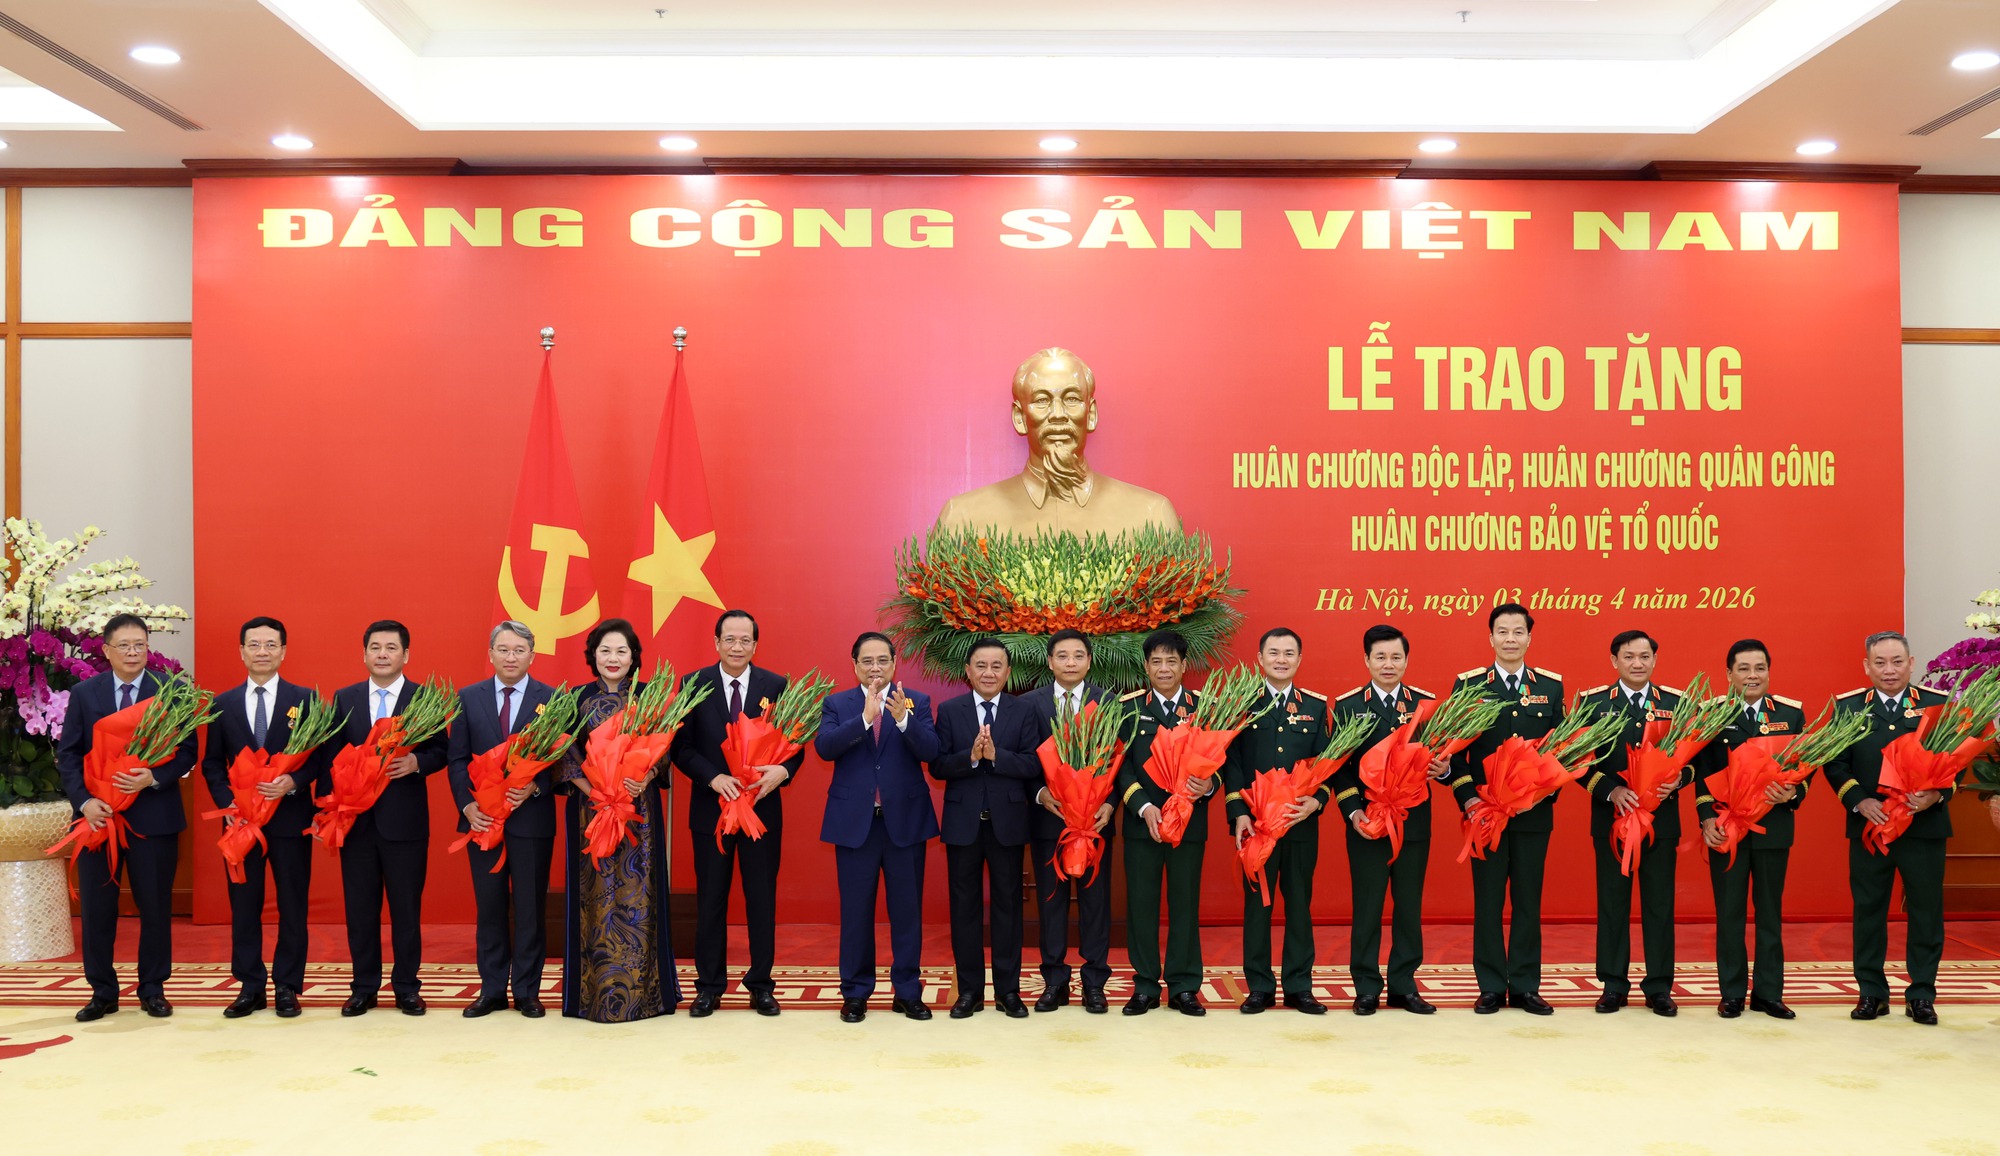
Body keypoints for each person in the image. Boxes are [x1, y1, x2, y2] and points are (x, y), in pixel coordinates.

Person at [56, 614, 199, 1022]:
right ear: (106, 650)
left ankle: (153, 989)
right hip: (98, 819)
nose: (133, 652)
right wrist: (84, 802)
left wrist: (154, 777)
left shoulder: (171, 691)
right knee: (98, 909)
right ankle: (102, 992)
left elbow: (189, 750)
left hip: (154, 818)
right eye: (124, 645)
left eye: (140, 644)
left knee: (155, 907)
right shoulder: (85, 693)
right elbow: (69, 754)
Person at [671, 609, 803, 1017]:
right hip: (712, 811)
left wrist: (782, 771)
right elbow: (680, 748)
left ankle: (761, 985)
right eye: (729, 639)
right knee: (711, 900)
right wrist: (712, 778)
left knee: (761, 899)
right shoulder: (693, 684)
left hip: (760, 811)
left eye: (745, 640)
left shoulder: (776, 686)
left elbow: (796, 743)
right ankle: (709, 986)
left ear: (755, 645)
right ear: (716, 642)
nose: (737, 646)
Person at [1824, 631, 1954, 1025]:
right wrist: (1858, 800)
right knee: (1868, 911)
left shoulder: (1937, 705)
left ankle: (1922, 995)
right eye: (1880, 662)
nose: (1889, 670)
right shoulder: (1848, 708)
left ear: (1911, 664)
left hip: (1923, 828)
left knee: (1926, 912)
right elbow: (1834, 763)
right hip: (1871, 829)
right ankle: (1871, 993)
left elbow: (1956, 760)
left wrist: (1936, 795)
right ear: (1866, 666)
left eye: (1897, 661)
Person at [201, 616, 326, 1019]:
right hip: (240, 824)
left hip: (289, 819)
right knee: (244, 904)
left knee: (293, 904)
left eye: (271, 645)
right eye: (254, 644)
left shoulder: (305, 700)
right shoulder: (223, 704)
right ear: (241, 651)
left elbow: (320, 759)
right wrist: (230, 804)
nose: (262, 652)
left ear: (283, 651)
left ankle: (288, 986)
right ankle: (250, 986)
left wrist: (293, 781)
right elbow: (212, 765)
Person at [816, 631, 940, 1023]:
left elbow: (932, 752)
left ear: (894, 663)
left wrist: (902, 719)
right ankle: (855, 993)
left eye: (882, 660)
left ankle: (907, 992)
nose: (875, 667)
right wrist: (865, 719)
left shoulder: (915, 701)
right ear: (854, 665)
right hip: (856, 825)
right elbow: (825, 747)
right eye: (867, 661)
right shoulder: (838, 703)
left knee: (907, 913)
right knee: (856, 914)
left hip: (905, 823)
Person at [560, 618, 680, 1022]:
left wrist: (646, 774)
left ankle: (647, 997)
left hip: (638, 812)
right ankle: (590, 997)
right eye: (605, 650)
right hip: (591, 811)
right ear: (593, 655)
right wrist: (595, 790)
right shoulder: (574, 698)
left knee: (639, 896)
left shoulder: (650, 697)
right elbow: (565, 754)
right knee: (593, 896)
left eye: (621, 651)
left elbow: (664, 751)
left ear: (633, 657)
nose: (613, 658)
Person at [1449, 603, 1564, 1016]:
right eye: (1503, 631)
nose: (1510, 639)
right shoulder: (1468, 686)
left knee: (1528, 901)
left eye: (1518, 632)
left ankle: (1527, 986)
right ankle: (1491, 986)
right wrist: (1470, 799)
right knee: (1489, 901)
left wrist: (1540, 794)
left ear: (1529, 638)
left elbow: (1562, 751)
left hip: (1533, 815)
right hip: (1485, 815)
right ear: (1491, 638)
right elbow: (1454, 754)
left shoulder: (1550, 687)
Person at [330, 619, 448, 1017]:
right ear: (364, 654)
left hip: (405, 824)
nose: (382, 654)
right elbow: (331, 756)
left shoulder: (423, 698)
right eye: (375, 648)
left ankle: (407, 988)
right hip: (357, 823)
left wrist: (417, 762)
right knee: (360, 911)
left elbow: (442, 750)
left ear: (406, 655)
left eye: (391, 648)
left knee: (405, 911)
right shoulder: (344, 699)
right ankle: (363, 988)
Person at [934, 347, 1180, 536]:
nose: (1058, 414)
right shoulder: (962, 520)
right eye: (1042, 400)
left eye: (1071, 399)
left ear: (1091, 414)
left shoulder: (1152, 517)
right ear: (1019, 417)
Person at [447, 620, 561, 1019]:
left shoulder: (552, 699)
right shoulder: (467, 697)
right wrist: (467, 806)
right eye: (504, 649)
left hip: (531, 821)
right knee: (490, 907)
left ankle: (527, 991)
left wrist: (535, 788)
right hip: (482, 821)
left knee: (530, 908)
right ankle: (492, 990)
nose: (511, 657)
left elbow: (560, 761)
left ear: (532, 655)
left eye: (519, 650)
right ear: (491, 654)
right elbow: (457, 759)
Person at [1329, 624, 1441, 1016]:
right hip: (1368, 824)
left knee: (1409, 907)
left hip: (1412, 822)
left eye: (1396, 657)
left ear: (1406, 660)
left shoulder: (1424, 706)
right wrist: (1352, 811)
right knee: (1368, 907)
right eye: (1380, 657)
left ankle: (1404, 985)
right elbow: (1338, 768)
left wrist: (1442, 768)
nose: (1388, 664)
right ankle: (1366, 986)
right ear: (1367, 660)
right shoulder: (1349, 706)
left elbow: (1441, 759)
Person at [1693, 639, 1807, 1020]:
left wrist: (1792, 793)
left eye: (1760, 668)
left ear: (1769, 672)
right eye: (1743, 668)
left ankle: (1769, 993)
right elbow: (1701, 772)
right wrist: (1706, 818)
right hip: (1727, 828)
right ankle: (1732, 993)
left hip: (1773, 827)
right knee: (1730, 913)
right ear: (1729, 674)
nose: (1752, 675)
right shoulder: (1710, 714)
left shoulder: (1790, 714)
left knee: (1770, 912)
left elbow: (1806, 767)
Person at [1575, 630, 1687, 1017]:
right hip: (1613, 821)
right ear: (1614, 661)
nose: (1637, 663)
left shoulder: (1676, 704)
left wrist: (1680, 779)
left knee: (1660, 905)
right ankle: (1613, 985)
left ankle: (1659, 987)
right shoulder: (1592, 704)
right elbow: (1577, 762)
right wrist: (1610, 791)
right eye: (1628, 656)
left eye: (1644, 656)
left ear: (1655, 659)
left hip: (1661, 822)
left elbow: (1695, 762)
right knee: (1612, 904)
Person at [1223, 627, 1332, 1015]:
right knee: (1258, 906)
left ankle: (1300, 986)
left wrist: (1316, 802)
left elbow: (1327, 763)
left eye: (1289, 653)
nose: (1281, 659)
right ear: (1260, 658)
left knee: (1299, 904)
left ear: (1299, 659)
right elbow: (1231, 763)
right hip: (1257, 825)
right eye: (1273, 652)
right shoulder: (1242, 705)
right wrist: (1238, 812)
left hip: (1299, 822)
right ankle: (1259, 987)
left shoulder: (1315, 707)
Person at [931, 637, 1039, 1018]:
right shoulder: (950, 711)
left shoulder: (1023, 710)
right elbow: (938, 765)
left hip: (1007, 823)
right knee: (965, 909)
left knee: (1008, 908)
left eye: (996, 666)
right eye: (981, 665)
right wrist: (972, 757)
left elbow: (1033, 764)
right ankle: (970, 992)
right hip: (963, 824)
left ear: (1007, 673)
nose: (988, 673)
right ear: (968, 671)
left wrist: (996, 756)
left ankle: (1008, 992)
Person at [1115, 628, 1214, 1016]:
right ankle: (1144, 985)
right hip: (1144, 826)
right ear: (1146, 667)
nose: (1164, 668)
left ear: (1184, 665)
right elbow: (1121, 767)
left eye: (1171, 661)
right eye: (1156, 661)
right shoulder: (1128, 708)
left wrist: (1208, 785)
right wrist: (1143, 807)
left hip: (1189, 825)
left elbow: (1222, 760)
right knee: (1141, 907)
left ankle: (1184, 986)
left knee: (1185, 906)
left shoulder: (1204, 707)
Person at [1027, 629, 1111, 1013]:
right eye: (1062, 656)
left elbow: (1119, 759)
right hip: (1050, 820)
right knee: (1051, 903)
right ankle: (1054, 981)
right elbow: (1023, 759)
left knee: (1096, 902)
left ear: (1089, 661)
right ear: (1050, 662)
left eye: (1078, 655)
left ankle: (1094, 982)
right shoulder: (1029, 704)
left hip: (1094, 822)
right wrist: (1040, 794)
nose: (1071, 662)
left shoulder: (1107, 702)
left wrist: (1109, 802)